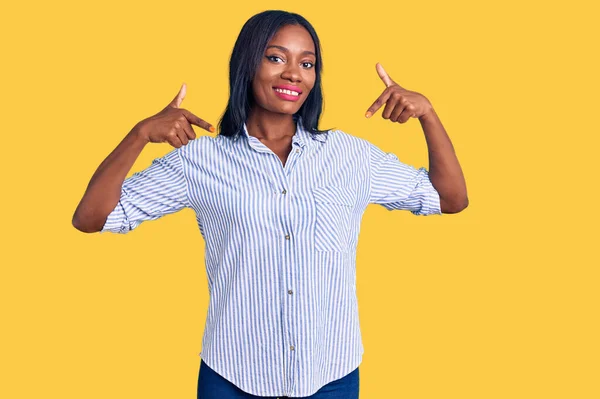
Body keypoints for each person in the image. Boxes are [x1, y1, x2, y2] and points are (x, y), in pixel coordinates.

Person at [72, 9, 468, 399]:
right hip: (233, 376)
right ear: (247, 65)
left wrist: (428, 114)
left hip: (330, 374)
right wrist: (139, 133)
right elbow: (91, 217)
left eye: (307, 63)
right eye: (276, 57)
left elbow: (450, 199)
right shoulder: (200, 161)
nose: (294, 73)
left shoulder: (351, 157)